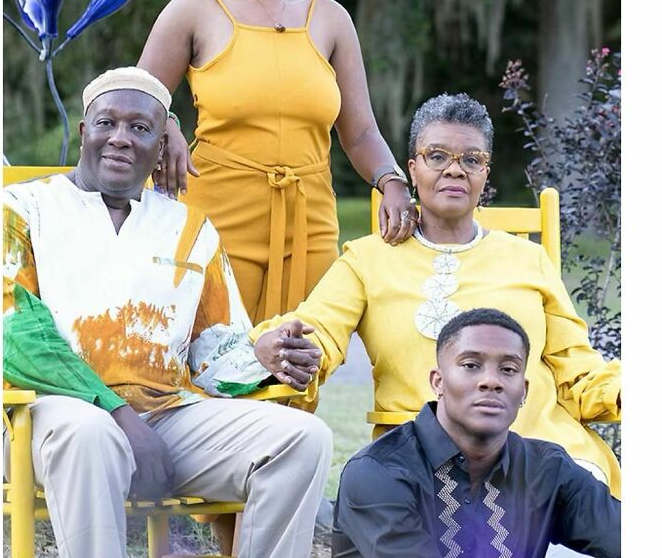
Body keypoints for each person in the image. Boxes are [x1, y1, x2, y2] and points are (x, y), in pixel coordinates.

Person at [3, 67, 331, 558]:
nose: (119, 138)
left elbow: (213, 347)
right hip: (46, 419)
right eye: (106, 123)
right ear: (83, 131)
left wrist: (262, 356)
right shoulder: (22, 208)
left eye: (140, 129)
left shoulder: (188, 227)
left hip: (166, 421)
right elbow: (15, 337)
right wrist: (120, 417)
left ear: (161, 148)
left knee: (302, 439)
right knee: (90, 434)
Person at [252, 93, 621, 505]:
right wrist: (287, 347)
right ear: (412, 169)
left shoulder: (527, 258)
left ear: (485, 173)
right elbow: (316, 331)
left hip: (546, 449)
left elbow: (579, 369)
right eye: (437, 156)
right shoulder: (367, 260)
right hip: (429, 462)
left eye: (471, 160)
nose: (455, 170)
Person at [137, 0, 417, 325]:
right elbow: (138, 97)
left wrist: (391, 182)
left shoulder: (330, 18)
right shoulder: (196, 7)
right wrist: (167, 123)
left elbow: (361, 130)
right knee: (214, 362)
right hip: (217, 216)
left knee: (302, 363)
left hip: (309, 222)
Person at [332, 309, 621, 558]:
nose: (491, 381)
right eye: (471, 365)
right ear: (438, 381)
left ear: (524, 391)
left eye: (508, 369)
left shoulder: (546, 468)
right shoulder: (380, 473)